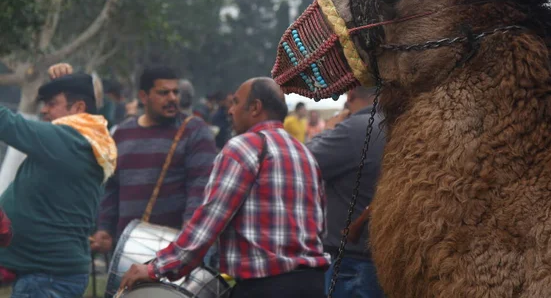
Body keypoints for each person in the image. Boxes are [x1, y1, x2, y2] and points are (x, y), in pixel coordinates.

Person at [120, 77, 330, 298]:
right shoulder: (304, 153)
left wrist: (155, 268)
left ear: (256, 108)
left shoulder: (245, 147)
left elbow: (209, 221)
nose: (230, 110)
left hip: (265, 288)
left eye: (236, 103)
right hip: (312, 285)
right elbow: (319, 227)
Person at [0, 65, 117, 298]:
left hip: (46, 278)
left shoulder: (69, 139)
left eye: (52, 104)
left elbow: (6, 123)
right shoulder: (89, 139)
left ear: (78, 108)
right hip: (47, 275)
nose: (44, 111)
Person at [85, 66, 218, 254]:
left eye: (175, 92)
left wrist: (188, 238)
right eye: (163, 93)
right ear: (143, 97)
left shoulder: (195, 131)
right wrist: (105, 229)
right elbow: (112, 187)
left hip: (173, 248)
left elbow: (200, 184)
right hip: (127, 247)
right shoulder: (122, 133)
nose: (172, 98)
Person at [306, 87, 386, 298]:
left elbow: (303, 161)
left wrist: (330, 128)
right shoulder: (397, 124)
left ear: (349, 96)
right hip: (386, 258)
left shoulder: (355, 129)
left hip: (352, 262)